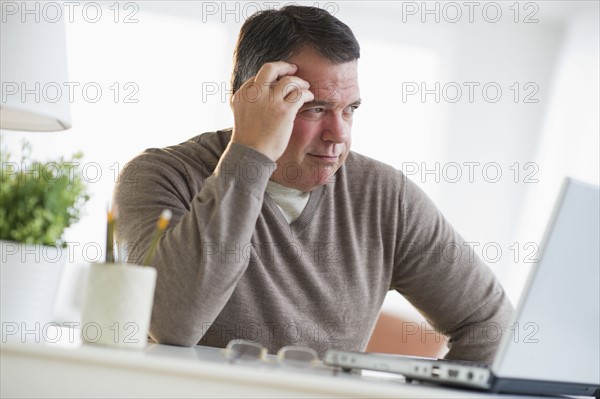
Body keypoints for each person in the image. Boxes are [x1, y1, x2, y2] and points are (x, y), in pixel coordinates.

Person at [113, 5, 513, 364]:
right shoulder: (159, 176)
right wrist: (250, 152)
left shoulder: (386, 197)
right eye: (315, 108)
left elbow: (489, 323)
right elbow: (172, 324)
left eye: (350, 109)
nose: (337, 134)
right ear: (251, 98)